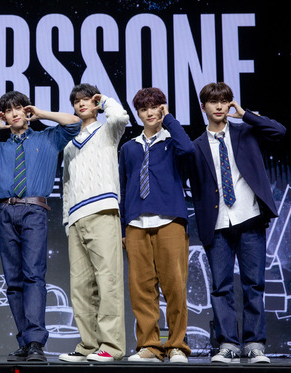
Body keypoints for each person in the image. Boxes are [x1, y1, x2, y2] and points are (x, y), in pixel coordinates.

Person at [0, 91, 80, 362]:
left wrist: (41, 114)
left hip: (34, 210)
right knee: (13, 281)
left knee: (33, 276)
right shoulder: (1, 148)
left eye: (19, 108)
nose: (15, 113)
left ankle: (35, 342)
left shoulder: (48, 139)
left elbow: (74, 122)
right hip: (6, 211)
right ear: (4, 116)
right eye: (9, 110)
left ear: (26, 112)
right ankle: (24, 340)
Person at [189, 82, 286, 364]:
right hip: (217, 222)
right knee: (221, 287)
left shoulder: (245, 132)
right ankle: (228, 344)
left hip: (249, 216)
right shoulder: (196, 146)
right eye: (213, 101)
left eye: (225, 101)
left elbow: (279, 132)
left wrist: (245, 114)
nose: (219, 106)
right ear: (203, 107)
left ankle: (254, 344)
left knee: (253, 283)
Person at [119, 87, 193, 363]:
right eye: (144, 109)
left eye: (156, 107)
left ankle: (176, 345)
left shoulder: (173, 142)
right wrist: (124, 226)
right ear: (137, 113)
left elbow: (189, 150)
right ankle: (150, 345)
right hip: (136, 224)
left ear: (163, 109)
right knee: (141, 288)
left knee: (174, 285)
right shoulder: (129, 148)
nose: (150, 113)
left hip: (169, 220)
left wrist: (170, 119)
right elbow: (124, 187)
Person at [58, 84, 128, 363]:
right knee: (80, 286)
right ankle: (88, 345)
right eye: (76, 101)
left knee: (108, 281)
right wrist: (66, 221)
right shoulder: (68, 146)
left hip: (102, 210)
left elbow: (121, 117)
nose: (82, 103)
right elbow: (66, 185)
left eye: (87, 99)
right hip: (75, 218)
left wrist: (105, 100)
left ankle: (111, 346)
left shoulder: (108, 131)